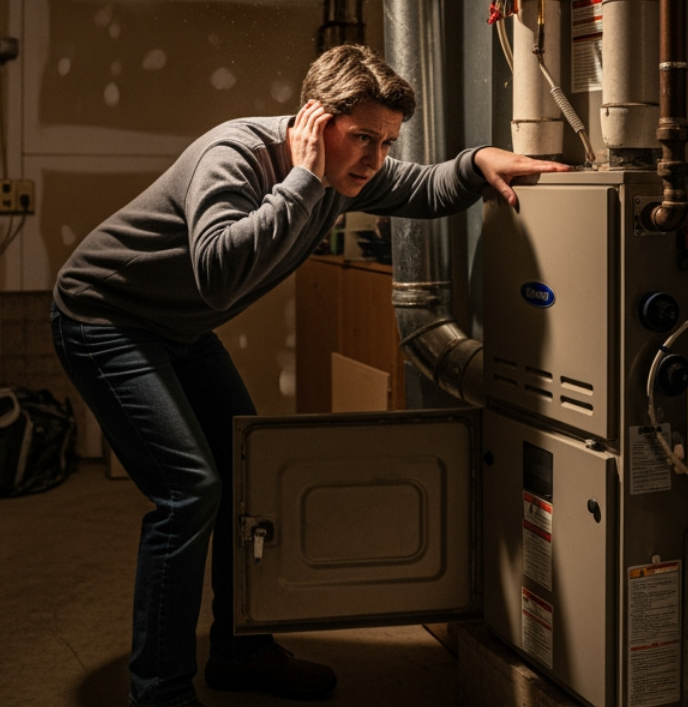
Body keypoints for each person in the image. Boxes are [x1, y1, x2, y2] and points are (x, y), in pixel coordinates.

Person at [50, 44, 569, 707]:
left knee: (246, 473)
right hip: (104, 317)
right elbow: (218, 274)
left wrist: (477, 164)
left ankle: (242, 653)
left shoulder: (350, 168)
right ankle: (160, 691)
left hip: (175, 328)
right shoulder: (234, 156)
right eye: (361, 139)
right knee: (190, 492)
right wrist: (301, 180)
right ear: (312, 118)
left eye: (385, 142)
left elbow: (419, 187)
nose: (374, 160)